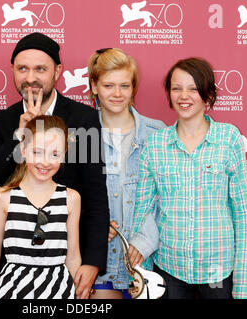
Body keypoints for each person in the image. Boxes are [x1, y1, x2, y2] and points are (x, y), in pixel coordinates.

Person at [0, 32, 109, 299]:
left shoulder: (84, 119)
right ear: (12, 70)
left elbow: (95, 195)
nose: (30, 77)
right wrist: (18, 137)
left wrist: (92, 261)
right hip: (10, 273)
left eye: (40, 69)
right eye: (22, 68)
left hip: (64, 265)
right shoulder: (1, 121)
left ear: (58, 71)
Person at [132, 57, 247, 299]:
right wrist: (142, 277)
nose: (183, 96)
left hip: (219, 270)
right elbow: (143, 211)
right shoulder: (155, 144)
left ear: (207, 95)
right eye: (176, 88)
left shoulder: (228, 138)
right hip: (169, 269)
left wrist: (243, 288)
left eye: (193, 88)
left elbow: (244, 216)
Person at [86, 48, 165, 299]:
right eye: (108, 85)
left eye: (124, 85)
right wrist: (93, 225)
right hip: (99, 262)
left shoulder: (157, 134)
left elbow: (168, 198)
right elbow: (69, 192)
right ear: (95, 87)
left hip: (145, 262)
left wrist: (145, 240)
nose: (117, 94)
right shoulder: (81, 134)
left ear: (134, 88)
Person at [0, 115, 81, 299]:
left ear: (64, 154)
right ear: (23, 150)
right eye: (37, 152)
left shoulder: (71, 198)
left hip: (59, 291)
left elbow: (73, 255)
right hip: (12, 289)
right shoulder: (4, 197)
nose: (45, 162)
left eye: (54, 154)